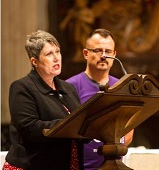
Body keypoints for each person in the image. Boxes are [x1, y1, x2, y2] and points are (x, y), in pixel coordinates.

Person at [4, 30, 83, 169]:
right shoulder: (22, 87)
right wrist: (70, 124)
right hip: (33, 165)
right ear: (34, 61)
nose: (56, 58)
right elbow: (29, 128)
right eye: (49, 54)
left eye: (57, 51)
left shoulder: (68, 88)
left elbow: (80, 125)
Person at [66, 29, 134, 170]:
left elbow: (129, 130)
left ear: (114, 54)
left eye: (108, 51)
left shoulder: (122, 87)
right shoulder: (69, 87)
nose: (103, 56)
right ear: (86, 53)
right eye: (97, 50)